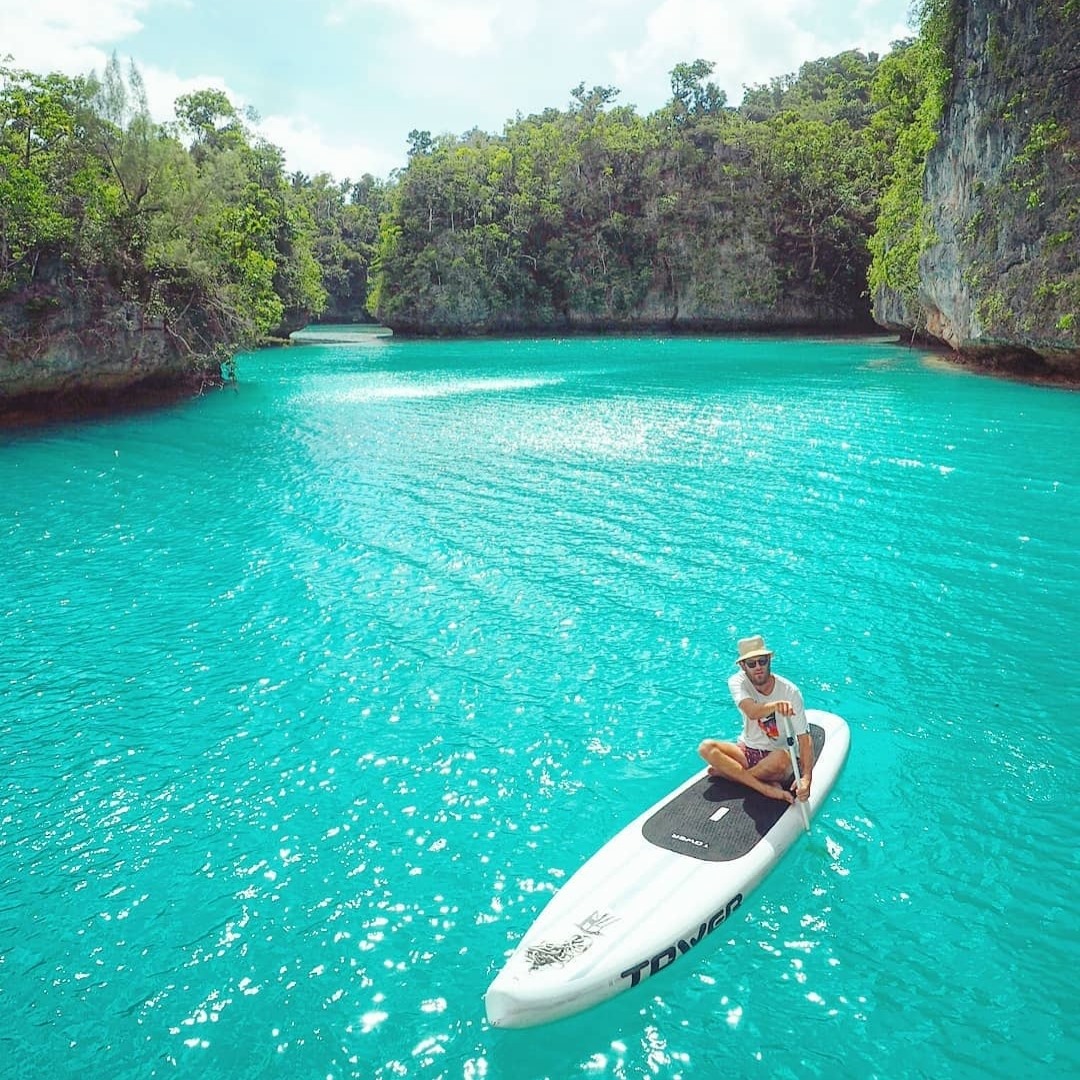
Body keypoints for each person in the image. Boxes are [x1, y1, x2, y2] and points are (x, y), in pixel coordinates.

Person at [697, 635, 813, 805]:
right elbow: (751, 711)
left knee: (780, 758)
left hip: (777, 756)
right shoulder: (737, 681)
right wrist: (775, 705)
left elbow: (804, 737)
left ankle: (734, 775)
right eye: (751, 663)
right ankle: (764, 787)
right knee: (706, 747)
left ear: (769, 660)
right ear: (743, 666)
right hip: (748, 751)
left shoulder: (790, 692)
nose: (758, 667)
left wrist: (807, 778)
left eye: (762, 661)